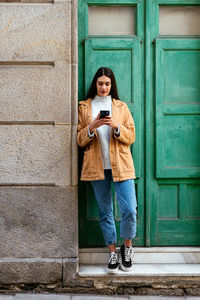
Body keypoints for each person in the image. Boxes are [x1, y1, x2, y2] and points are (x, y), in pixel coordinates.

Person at [77, 67, 137, 274]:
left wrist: (116, 126)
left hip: (121, 165)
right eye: (101, 83)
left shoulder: (120, 107)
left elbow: (131, 136)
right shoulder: (84, 107)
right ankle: (112, 252)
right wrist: (92, 126)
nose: (104, 87)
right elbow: (79, 139)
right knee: (105, 213)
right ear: (95, 84)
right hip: (96, 167)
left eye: (107, 84)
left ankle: (126, 248)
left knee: (129, 210)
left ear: (112, 85)